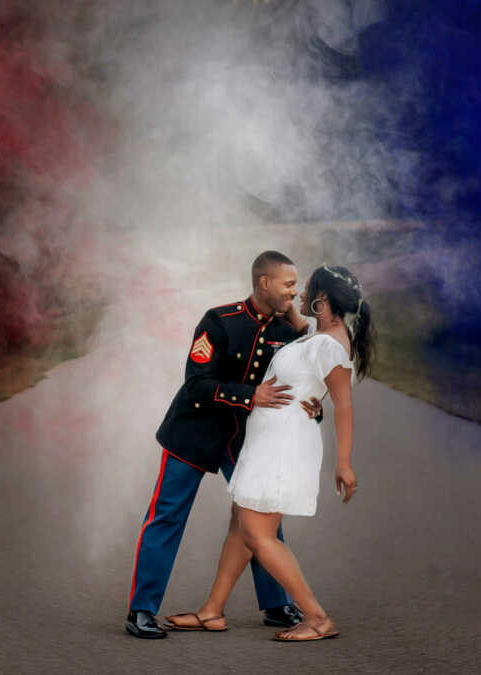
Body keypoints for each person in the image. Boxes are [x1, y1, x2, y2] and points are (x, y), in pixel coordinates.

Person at [163, 264, 372, 641]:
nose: (298, 296)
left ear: (322, 302)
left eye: (305, 291)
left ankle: (317, 617)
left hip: (284, 446)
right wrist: (279, 297)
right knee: (241, 525)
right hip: (267, 441)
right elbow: (296, 326)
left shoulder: (329, 344)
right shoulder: (316, 334)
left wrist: (344, 462)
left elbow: (343, 403)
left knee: (259, 534)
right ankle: (212, 611)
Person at [125, 251, 324, 639]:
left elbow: (309, 384)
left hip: (247, 441)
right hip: (192, 435)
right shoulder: (219, 320)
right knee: (166, 517)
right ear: (263, 282)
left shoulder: (288, 333)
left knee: (262, 517)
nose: (293, 291)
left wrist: (314, 407)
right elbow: (196, 385)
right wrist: (251, 395)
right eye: (287, 284)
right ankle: (142, 610)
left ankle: (276, 604)